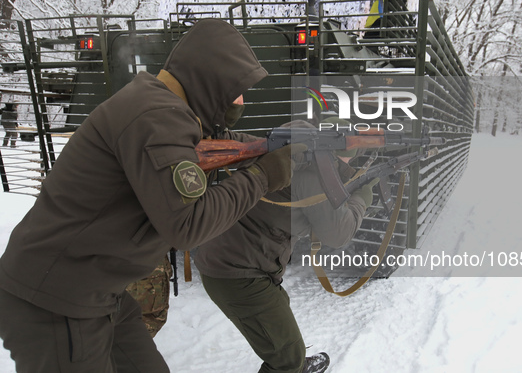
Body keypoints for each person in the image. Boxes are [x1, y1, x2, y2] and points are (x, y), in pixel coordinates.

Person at [0, 19, 304, 373]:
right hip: (55, 302)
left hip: (96, 295)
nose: (240, 101)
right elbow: (187, 226)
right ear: (210, 78)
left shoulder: (161, 108)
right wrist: (263, 176)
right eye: (236, 89)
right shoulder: (157, 118)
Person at [193, 118, 378, 373]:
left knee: (282, 324)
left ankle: (296, 362)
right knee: (286, 357)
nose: (350, 163)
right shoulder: (314, 176)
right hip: (237, 272)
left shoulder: (289, 154)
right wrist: (362, 199)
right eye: (348, 157)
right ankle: (294, 365)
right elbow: (338, 234)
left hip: (235, 257)